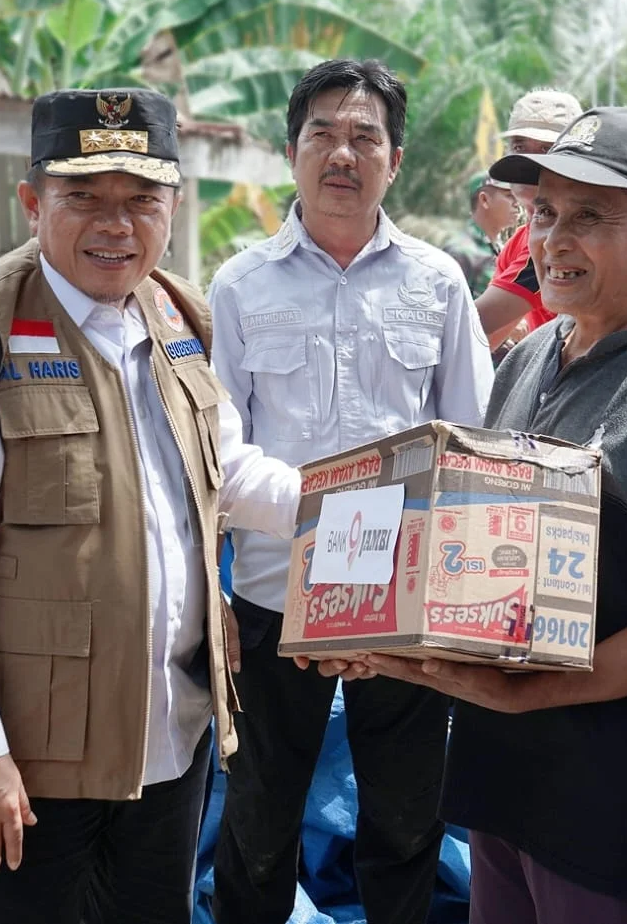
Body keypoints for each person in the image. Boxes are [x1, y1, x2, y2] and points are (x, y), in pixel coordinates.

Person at [337, 106, 627, 924]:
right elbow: (484, 537)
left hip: (608, 800)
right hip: (505, 781)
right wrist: (392, 631)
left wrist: (522, 695)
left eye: (590, 217)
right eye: (543, 213)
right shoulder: (535, 354)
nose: (554, 240)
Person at [0, 87, 301, 924]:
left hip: (171, 742)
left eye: (142, 200)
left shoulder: (176, 314)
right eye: (85, 197)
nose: (117, 224)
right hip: (32, 767)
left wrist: (351, 505)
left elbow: (230, 470)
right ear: (33, 202)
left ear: (174, 208)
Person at [208, 59, 493, 924]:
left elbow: (468, 437)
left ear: (395, 159)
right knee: (259, 823)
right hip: (273, 599)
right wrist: (340, 527)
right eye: (322, 135)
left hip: (404, 606)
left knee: (406, 821)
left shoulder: (437, 280)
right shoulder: (239, 285)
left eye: (364, 136)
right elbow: (219, 454)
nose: (343, 153)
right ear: (290, 153)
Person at [474, 89, 583, 350]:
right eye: (520, 147)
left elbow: (475, 323)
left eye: (546, 149)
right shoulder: (520, 241)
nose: (527, 161)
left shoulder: (562, 237)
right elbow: (482, 340)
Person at [443, 171, 516, 296]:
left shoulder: (502, 248)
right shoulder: (461, 252)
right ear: (484, 200)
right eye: (509, 196)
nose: (517, 203)